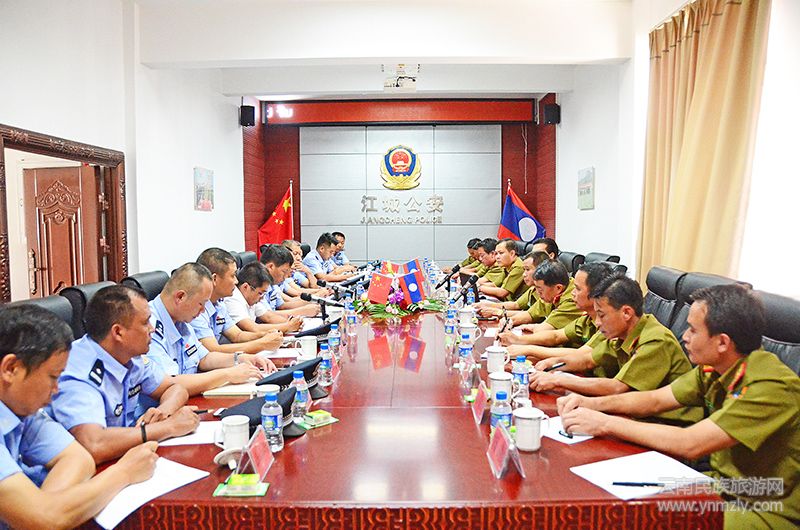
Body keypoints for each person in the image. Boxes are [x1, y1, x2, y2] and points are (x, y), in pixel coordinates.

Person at [558, 285, 799, 528]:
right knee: (618, 505)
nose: (684, 335)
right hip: (722, 486)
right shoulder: (714, 368)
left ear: (722, 342)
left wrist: (604, 423)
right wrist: (591, 404)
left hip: (766, 506)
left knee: (646, 520)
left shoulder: (769, 386)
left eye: (693, 330)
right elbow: (655, 400)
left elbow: (691, 443)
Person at [0, 305, 158, 530]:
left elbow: (79, 458)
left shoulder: (22, 409)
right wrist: (124, 472)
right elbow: (44, 519)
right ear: (11, 368)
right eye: (53, 377)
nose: (56, 389)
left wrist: (46, 509)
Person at [47, 285, 199, 464]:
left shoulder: (130, 357)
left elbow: (175, 388)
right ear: (118, 332)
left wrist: (163, 412)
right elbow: (93, 445)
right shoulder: (78, 374)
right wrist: (168, 427)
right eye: (145, 323)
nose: (152, 329)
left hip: (126, 456)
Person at [530, 275, 700, 425]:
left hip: (671, 423)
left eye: (602, 315)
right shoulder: (621, 334)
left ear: (626, 313)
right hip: (636, 413)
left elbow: (618, 387)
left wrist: (557, 380)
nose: (597, 323)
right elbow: (587, 360)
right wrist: (551, 364)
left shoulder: (656, 340)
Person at [146, 263, 273, 398]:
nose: (202, 311)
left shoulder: (181, 319)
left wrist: (240, 358)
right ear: (180, 297)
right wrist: (227, 374)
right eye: (201, 304)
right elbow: (170, 383)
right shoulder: (148, 326)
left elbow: (204, 358)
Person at [504, 261, 616, 360]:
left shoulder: (609, 324)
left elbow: (582, 355)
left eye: (577, 289)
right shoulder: (587, 319)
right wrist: (518, 340)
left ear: (596, 293)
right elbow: (556, 336)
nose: (573, 293)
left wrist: (529, 349)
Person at [191, 248, 283, 357]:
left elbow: (237, 335)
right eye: (232, 275)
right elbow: (213, 350)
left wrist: (265, 335)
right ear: (214, 279)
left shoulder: (219, 303)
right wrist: (262, 344)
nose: (236, 281)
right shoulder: (196, 309)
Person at [499, 259, 582, 332]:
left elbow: (548, 329)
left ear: (558, 288)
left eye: (540, 289)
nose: (537, 293)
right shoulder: (551, 292)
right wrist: (510, 321)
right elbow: (530, 314)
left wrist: (516, 337)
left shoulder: (573, 299)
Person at [225, 262, 302, 334]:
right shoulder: (232, 298)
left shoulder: (251, 298)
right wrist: (287, 326)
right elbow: (253, 328)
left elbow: (269, 317)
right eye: (260, 293)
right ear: (246, 287)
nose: (262, 298)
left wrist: (292, 323)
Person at [476, 250, 550, 317]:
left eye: (527, 269)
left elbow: (529, 315)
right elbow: (516, 305)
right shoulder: (533, 288)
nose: (524, 274)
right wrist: (488, 305)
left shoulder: (548, 294)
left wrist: (496, 312)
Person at [258, 245, 318, 319]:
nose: (286, 276)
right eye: (284, 271)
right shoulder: (257, 284)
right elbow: (267, 316)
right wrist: (303, 311)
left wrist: (313, 302)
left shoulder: (273, 284)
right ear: (271, 267)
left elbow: (282, 305)